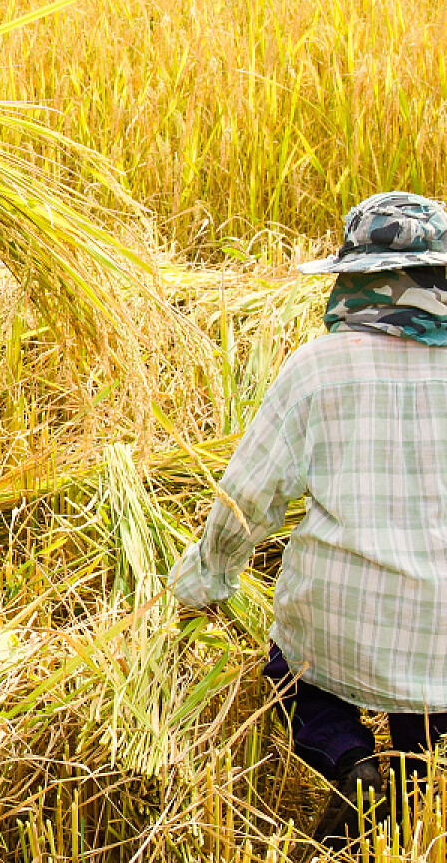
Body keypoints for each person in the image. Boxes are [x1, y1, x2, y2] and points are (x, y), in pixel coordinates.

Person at [169, 191, 447, 849]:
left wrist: (205, 584)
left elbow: (247, 499)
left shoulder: (317, 369)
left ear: (353, 280)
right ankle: (412, 788)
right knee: (429, 723)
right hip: (441, 640)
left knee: (294, 677)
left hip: (338, 626)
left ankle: (349, 760)